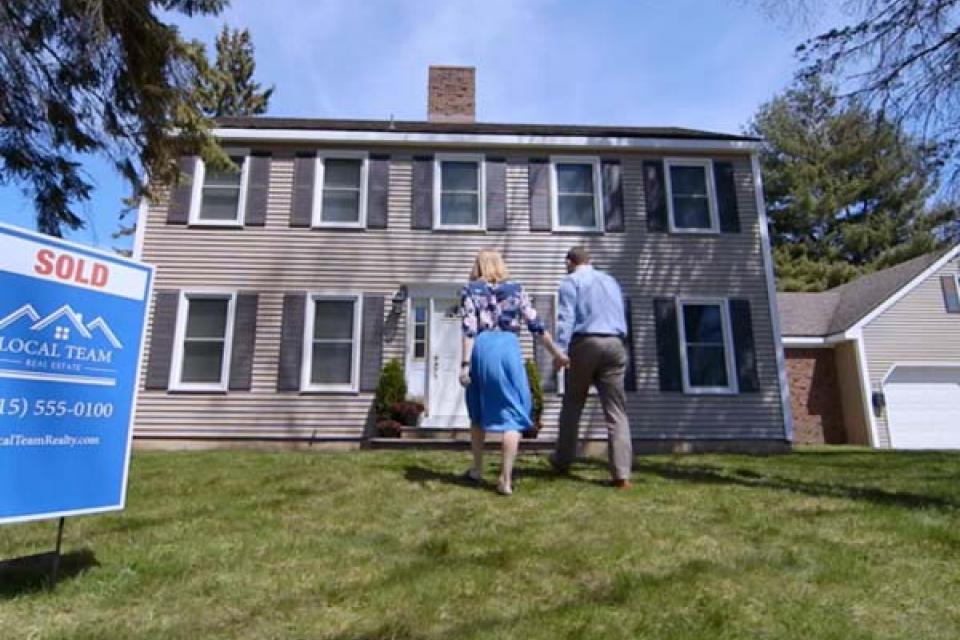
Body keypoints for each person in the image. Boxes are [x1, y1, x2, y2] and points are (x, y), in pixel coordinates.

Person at [459, 249, 565, 495]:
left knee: (477, 410)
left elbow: (469, 330)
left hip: (482, 348)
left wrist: (465, 365)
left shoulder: (471, 290)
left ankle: (477, 469)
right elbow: (536, 325)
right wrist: (557, 353)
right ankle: (505, 480)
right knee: (514, 411)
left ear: (479, 267)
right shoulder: (517, 289)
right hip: (508, 349)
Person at [549, 247, 633, 488]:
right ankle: (621, 474)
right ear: (590, 261)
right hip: (615, 342)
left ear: (569, 262)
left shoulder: (571, 281)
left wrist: (561, 351)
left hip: (586, 342)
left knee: (573, 403)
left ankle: (562, 461)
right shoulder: (610, 281)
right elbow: (620, 312)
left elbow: (566, 318)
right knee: (616, 410)